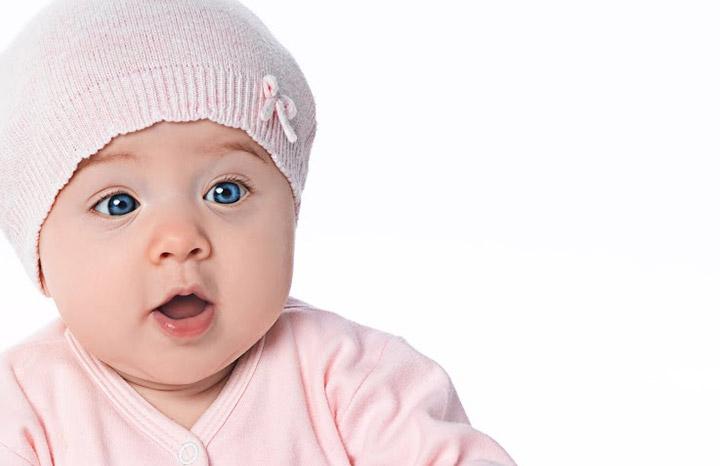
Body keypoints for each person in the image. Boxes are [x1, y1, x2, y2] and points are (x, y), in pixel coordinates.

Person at [0, 1, 517, 465]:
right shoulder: (22, 414)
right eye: (119, 204)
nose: (180, 239)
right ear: (39, 256)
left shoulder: (359, 383)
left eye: (225, 191)